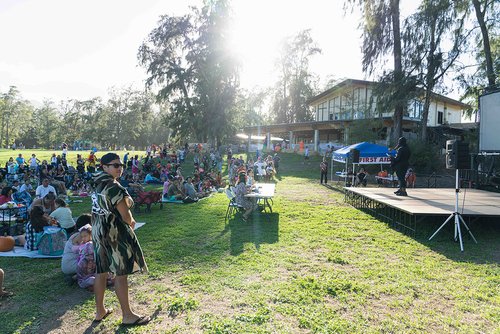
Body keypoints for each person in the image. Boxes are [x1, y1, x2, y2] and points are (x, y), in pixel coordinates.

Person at [90, 152, 150, 325]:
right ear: (105, 167)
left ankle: (100, 311)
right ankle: (128, 315)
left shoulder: (96, 183)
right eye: (115, 165)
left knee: (101, 272)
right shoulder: (114, 187)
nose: (120, 168)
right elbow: (126, 216)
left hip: (98, 231)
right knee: (121, 274)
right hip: (114, 235)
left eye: (121, 165)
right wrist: (131, 223)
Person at [61, 214, 92, 282]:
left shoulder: (78, 234)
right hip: (71, 264)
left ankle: (76, 275)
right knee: (94, 264)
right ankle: (75, 277)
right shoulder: (82, 236)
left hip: (68, 265)